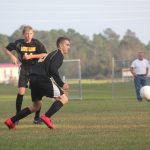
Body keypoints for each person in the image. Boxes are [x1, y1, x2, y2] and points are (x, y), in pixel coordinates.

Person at [4, 36, 70, 130]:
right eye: (67, 44)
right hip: (42, 79)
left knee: (35, 106)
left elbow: (48, 68)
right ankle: (46, 117)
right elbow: (53, 69)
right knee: (64, 98)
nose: (69, 47)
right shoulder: (59, 54)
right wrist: (61, 84)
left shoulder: (51, 54)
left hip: (33, 79)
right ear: (60, 45)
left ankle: (11, 121)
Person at [3, 25, 47, 124]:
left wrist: (32, 55)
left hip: (36, 70)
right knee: (21, 92)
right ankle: (17, 117)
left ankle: (36, 118)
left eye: (31, 33)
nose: (29, 35)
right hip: (24, 69)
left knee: (37, 95)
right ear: (23, 34)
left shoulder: (36, 43)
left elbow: (45, 54)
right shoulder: (19, 43)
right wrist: (12, 57)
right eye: (27, 33)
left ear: (33, 34)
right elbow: (6, 49)